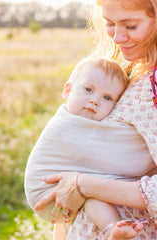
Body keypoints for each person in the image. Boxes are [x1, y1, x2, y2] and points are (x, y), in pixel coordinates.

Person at [34, 0, 157, 239]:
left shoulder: (154, 85)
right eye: (109, 24)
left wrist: (83, 184)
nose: (118, 37)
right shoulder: (135, 68)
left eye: (130, 26)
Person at [25, 57, 133, 232]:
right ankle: (112, 228)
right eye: (88, 89)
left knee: (92, 192)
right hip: (47, 193)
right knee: (94, 196)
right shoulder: (65, 124)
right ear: (68, 90)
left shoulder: (86, 124)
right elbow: (106, 160)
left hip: (63, 192)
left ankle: (115, 229)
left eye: (107, 97)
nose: (95, 100)